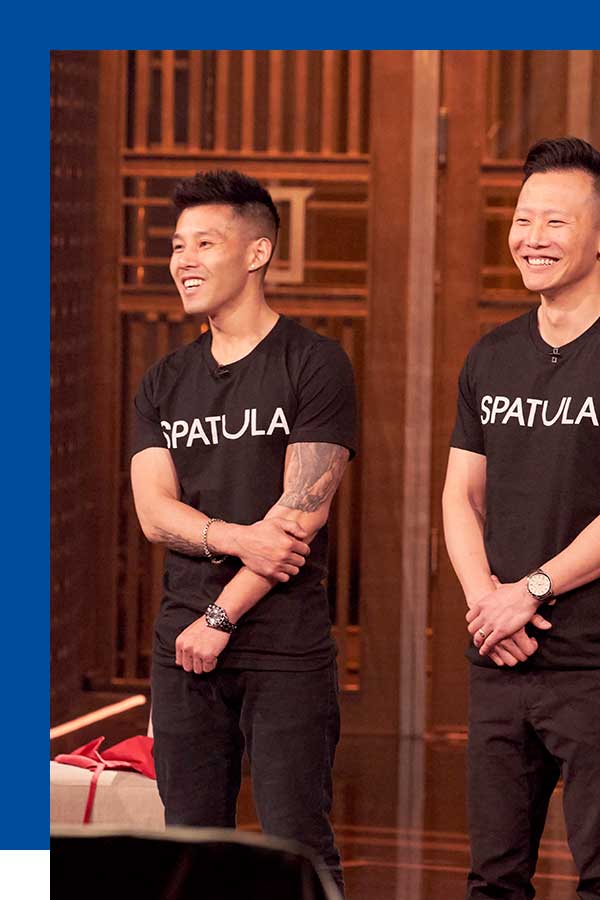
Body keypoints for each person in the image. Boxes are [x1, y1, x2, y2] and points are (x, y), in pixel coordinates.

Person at [442, 137, 600, 900]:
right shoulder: (492, 355)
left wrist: (533, 591)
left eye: (555, 222)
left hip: (595, 661)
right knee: (493, 876)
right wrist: (488, 601)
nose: (531, 238)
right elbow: (459, 496)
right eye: (522, 220)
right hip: (499, 655)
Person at [129, 170, 357, 895]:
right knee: (189, 850)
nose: (183, 261)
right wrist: (235, 537)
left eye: (205, 242)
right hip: (181, 648)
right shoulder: (164, 381)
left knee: (298, 844)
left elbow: (298, 518)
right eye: (176, 245)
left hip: (281, 646)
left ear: (257, 253)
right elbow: (153, 511)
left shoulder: (313, 363)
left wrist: (222, 615)